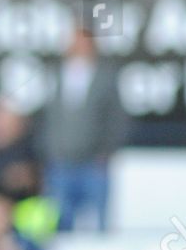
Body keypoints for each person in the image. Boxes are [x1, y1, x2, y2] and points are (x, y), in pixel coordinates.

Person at [38, 24, 128, 231]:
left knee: (100, 225)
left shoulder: (106, 77)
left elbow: (117, 119)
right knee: (60, 222)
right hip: (61, 162)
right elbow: (46, 118)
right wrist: (48, 151)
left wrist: (106, 152)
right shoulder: (55, 74)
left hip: (94, 163)